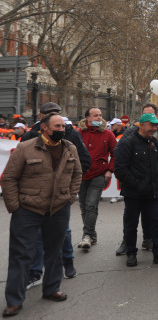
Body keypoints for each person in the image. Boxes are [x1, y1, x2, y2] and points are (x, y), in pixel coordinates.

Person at [2, 114, 82, 317]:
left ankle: (52, 289)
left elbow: (77, 174)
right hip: (28, 210)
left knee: (54, 252)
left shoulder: (69, 147)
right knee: (21, 255)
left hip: (58, 209)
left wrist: (70, 197)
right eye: (57, 126)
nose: (62, 129)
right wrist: (15, 207)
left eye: (63, 126)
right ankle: (14, 300)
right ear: (45, 128)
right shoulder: (25, 148)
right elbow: (9, 178)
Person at [113, 113, 158, 267]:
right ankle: (131, 253)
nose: (155, 128)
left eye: (156, 125)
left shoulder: (153, 142)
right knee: (131, 224)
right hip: (134, 194)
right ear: (142, 125)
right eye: (151, 125)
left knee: (156, 223)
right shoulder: (126, 143)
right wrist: (138, 185)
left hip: (153, 193)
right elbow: (120, 170)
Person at [76, 107, 117, 250]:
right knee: (83, 205)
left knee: (91, 204)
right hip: (80, 175)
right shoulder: (78, 134)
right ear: (87, 118)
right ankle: (92, 234)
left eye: (100, 115)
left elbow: (115, 154)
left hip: (99, 174)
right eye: (95, 115)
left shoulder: (108, 134)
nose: (99, 118)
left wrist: (109, 170)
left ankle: (86, 236)